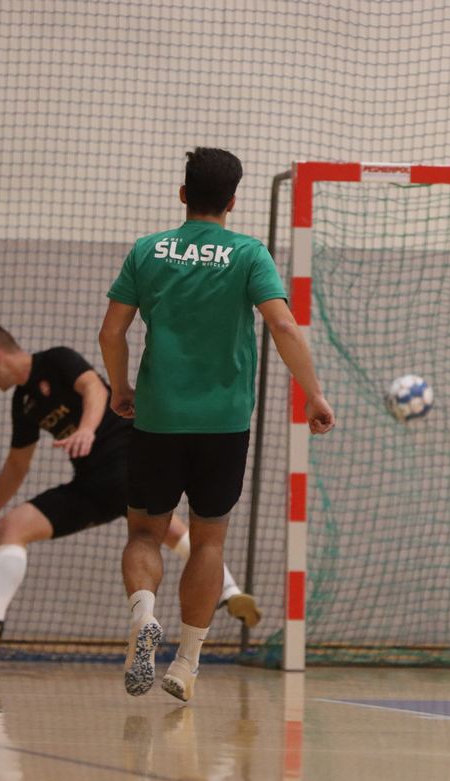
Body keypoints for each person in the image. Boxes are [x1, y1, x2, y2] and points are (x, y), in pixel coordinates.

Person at [100, 147, 334, 702]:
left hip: (158, 417)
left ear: (183, 194)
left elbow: (111, 333)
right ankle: (185, 663)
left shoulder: (147, 250)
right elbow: (282, 324)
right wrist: (313, 393)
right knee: (208, 540)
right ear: (233, 200)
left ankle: (143, 615)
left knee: (143, 533)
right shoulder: (249, 254)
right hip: (225, 423)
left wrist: (121, 388)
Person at [0, 325, 261, 645]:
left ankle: (228, 591)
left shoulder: (56, 360)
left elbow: (95, 388)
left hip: (128, 461)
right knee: (9, 527)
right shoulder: (23, 403)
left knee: (163, 530)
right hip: (91, 483)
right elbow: (17, 464)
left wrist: (87, 429)